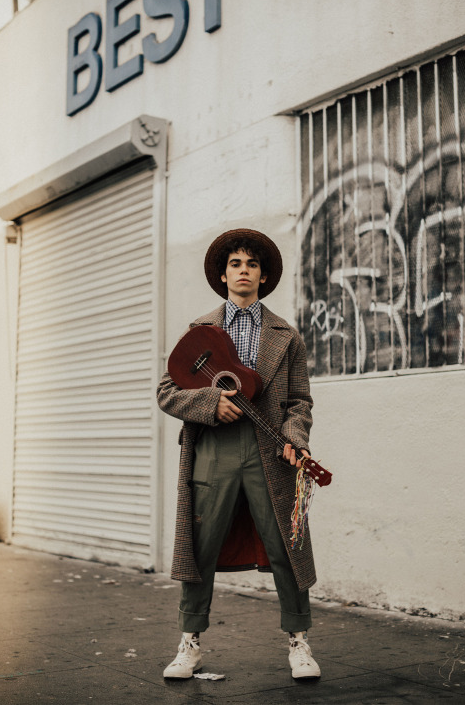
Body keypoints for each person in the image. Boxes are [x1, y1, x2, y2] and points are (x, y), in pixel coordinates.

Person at [157, 228, 320, 680]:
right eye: (235, 263)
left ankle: (299, 642)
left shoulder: (286, 335)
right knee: (200, 546)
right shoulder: (200, 332)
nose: (243, 270)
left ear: (263, 276)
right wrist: (211, 403)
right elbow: (166, 391)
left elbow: (299, 402)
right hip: (213, 448)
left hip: (269, 449)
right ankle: (190, 644)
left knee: (287, 545)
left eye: (251, 264)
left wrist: (295, 437)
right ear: (223, 274)